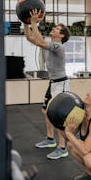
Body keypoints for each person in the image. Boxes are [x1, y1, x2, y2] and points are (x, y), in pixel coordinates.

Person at [24, 9, 71, 160]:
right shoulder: (49, 45)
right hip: (53, 83)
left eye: (57, 29)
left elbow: (40, 41)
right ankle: (50, 139)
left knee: (58, 116)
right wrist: (26, 23)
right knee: (45, 112)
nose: (54, 29)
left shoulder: (58, 46)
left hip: (61, 84)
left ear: (61, 35)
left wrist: (33, 22)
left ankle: (62, 148)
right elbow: (30, 38)